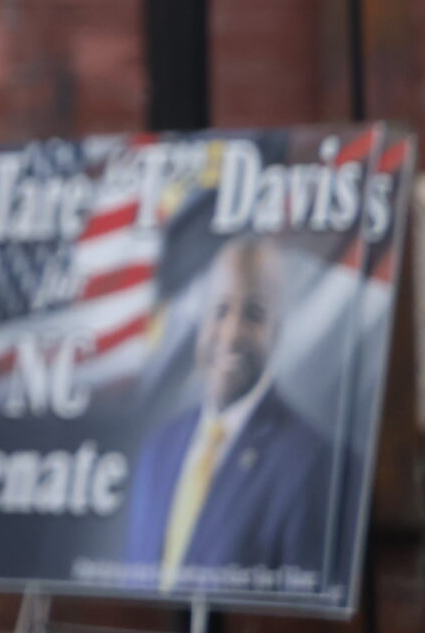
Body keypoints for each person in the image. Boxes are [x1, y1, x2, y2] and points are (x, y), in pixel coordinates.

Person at [123, 238, 331, 591]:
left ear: (276, 331)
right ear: (201, 323)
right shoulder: (158, 450)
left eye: (253, 314)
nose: (231, 333)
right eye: (220, 310)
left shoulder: (313, 463)